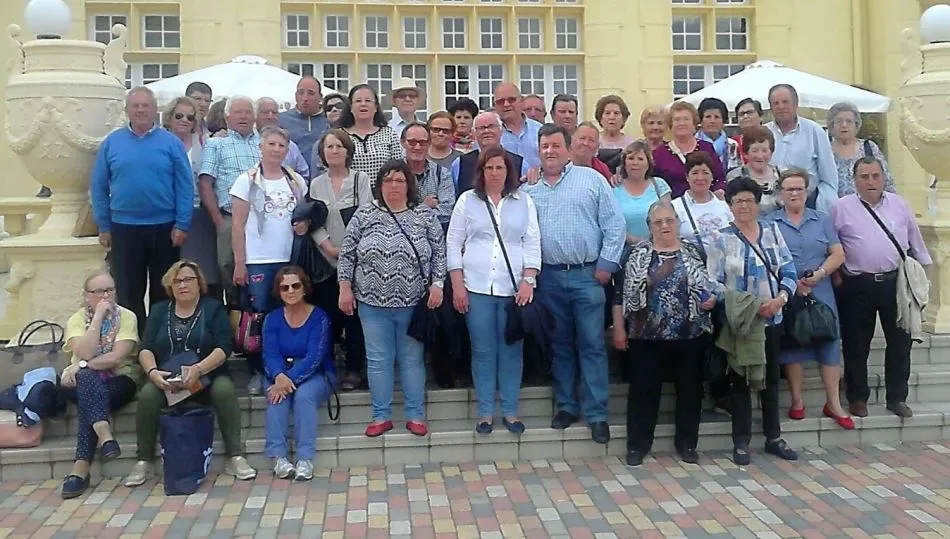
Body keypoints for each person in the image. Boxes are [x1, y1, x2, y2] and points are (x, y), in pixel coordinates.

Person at [521, 124, 626, 444]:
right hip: (549, 277)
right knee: (561, 345)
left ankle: (597, 414)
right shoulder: (529, 189)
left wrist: (606, 266)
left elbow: (614, 225)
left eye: (555, 145)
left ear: (567, 149)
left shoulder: (591, 180)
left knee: (592, 344)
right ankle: (567, 406)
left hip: (587, 275)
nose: (550, 151)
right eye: (544, 146)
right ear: (538, 150)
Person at [337, 160, 446, 438]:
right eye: (388, 181)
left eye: (399, 181)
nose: (393, 186)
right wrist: (344, 288)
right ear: (379, 185)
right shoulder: (365, 213)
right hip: (372, 303)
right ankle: (380, 415)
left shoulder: (424, 215)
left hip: (412, 303)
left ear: (409, 185)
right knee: (378, 360)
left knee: (411, 359)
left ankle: (415, 414)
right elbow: (347, 253)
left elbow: (439, 253)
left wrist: (437, 285)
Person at [124, 261, 256, 487]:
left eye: (188, 279)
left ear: (199, 283)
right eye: (177, 280)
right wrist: (153, 372)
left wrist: (198, 369)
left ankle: (235, 456)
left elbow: (224, 347)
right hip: (168, 379)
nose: (182, 285)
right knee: (147, 395)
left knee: (224, 390)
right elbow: (145, 348)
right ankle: (143, 460)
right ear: (170, 285)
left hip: (206, 376)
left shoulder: (213, 308)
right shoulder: (158, 310)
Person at [705, 177, 799, 466]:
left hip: (773, 319)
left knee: (771, 381)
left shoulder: (772, 231)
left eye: (748, 200)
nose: (743, 206)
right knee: (741, 381)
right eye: (737, 201)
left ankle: (773, 437)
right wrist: (751, 305)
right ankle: (741, 442)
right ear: (730, 206)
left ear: (757, 204)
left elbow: (789, 271)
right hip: (742, 322)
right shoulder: (719, 238)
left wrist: (780, 299)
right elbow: (713, 283)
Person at [446, 147, 541, 434]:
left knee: (512, 349)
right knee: (484, 350)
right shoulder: (467, 201)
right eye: (489, 168)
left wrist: (529, 280)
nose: (495, 173)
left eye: (500, 168)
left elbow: (532, 242)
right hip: (476, 287)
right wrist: (457, 285)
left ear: (508, 171)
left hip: (513, 290)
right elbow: (453, 243)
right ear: (481, 171)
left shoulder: (523, 201)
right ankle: (486, 411)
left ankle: (511, 411)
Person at [612, 202, 713, 466]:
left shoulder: (694, 251)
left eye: (669, 220)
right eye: (658, 222)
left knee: (691, 392)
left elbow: (710, 285)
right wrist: (619, 328)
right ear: (649, 227)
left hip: (690, 333)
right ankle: (638, 445)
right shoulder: (636, 254)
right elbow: (619, 294)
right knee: (643, 393)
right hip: (645, 335)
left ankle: (687, 444)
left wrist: (710, 300)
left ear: (678, 222)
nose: (665, 226)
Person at [832, 156, 932, 419]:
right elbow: (831, 245)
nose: (871, 181)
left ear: (883, 177)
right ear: (854, 180)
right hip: (857, 285)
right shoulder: (841, 207)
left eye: (875, 176)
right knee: (856, 344)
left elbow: (916, 242)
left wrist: (923, 277)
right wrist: (836, 278)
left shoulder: (899, 205)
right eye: (864, 177)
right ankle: (857, 397)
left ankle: (897, 397)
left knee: (900, 342)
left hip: (895, 283)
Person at [91, 87, 192, 333]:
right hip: (124, 229)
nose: (140, 110)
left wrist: (182, 224)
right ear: (127, 110)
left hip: (165, 229)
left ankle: (160, 341)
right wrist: (104, 225)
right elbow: (98, 186)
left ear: (154, 109)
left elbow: (185, 185)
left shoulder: (170, 143)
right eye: (135, 106)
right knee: (128, 292)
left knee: (164, 291)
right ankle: (132, 343)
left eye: (145, 105)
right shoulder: (112, 143)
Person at [770, 168, 852, 429]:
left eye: (799, 189)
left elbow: (838, 254)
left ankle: (834, 403)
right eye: (789, 189)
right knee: (794, 344)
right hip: (789, 293)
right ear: (780, 193)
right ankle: (796, 401)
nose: (794, 193)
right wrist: (792, 283)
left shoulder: (822, 220)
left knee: (829, 344)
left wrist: (819, 274)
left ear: (807, 192)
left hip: (822, 291)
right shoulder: (770, 223)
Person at [230, 126, 308, 394]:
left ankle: (285, 368)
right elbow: (237, 225)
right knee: (258, 318)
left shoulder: (296, 180)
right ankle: (258, 370)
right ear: (260, 147)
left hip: (289, 258)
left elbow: (302, 216)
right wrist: (240, 263)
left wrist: (303, 226)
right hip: (258, 259)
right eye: (271, 144)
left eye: (281, 146)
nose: (276, 150)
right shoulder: (246, 181)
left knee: (286, 314)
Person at [59, 271, 141, 499]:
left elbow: (116, 358)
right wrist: (97, 318)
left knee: (88, 387)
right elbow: (84, 350)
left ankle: (80, 468)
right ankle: (105, 436)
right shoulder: (76, 320)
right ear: (86, 296)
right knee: (88, 384)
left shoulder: (127, 317)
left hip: (120, 379)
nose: (106, 296)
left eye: (110, 290)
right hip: (82, 383)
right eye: (99, 292)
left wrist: (80, 365)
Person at [308, 129, 372, 392]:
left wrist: (346, 249)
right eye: (329, 147)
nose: (334, 151)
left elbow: (368, 216)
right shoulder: (316, 184)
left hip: (356, 259)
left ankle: (355, 369)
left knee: (354, 318)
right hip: (325, 260)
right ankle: (328, 368)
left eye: (339, 146)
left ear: (348, 151)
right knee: (327, 316)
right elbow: (312, 221)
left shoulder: (361, 180)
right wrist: (329, 248)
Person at [263, 266, 336, 481]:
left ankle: (305, 459)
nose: (291, 291)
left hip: (317, 373)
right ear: (279, 291)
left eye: (296, 285)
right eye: (284, 287)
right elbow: (269, 353)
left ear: (304, 288)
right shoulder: (272, 319)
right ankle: (278, 458)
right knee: (277, 397)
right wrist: (279, 377)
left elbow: (315, 356)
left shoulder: (320, 317)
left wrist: (288, 379)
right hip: (278, 374)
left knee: (304, 396)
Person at [198, 95, 261, 307]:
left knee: (259, 271)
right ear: (227, 117)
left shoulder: (264, 143)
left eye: (247, 112)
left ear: (254, 117)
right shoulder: (216, 143)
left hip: (261, 219)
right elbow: (205, 183)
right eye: (238, 112)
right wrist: (218, 220)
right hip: (229, 218)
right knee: (229, 270)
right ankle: (236, 323)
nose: (243, 116)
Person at [164, 96, 222, 302]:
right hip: (167, 214)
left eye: (190, 117)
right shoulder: (160, 141)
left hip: (200, 214)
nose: (184, 120)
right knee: (172, 273)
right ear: (169, 117)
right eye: (179, 115)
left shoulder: (206, 142)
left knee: (205, 272)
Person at [765, 84, 837, 213]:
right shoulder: (764, 132)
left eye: (785, 102)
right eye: (776, 103)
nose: (780, 107)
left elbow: (829, 177)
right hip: (771, 205)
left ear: (796, 104)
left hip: (808, 204)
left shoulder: (814, 131)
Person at [653, 101, 725, 199]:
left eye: (686, 119)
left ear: (694, 124)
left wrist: (719, 191)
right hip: (672, 207)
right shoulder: (659, 154)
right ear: (671, 125)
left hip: (704, 205)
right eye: (677, 119)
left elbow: (719, 178)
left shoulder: (707, 148)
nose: (681, 123)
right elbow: (655, 184)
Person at [827, 101, 896, 198]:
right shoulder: (825, 149)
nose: (844, 125)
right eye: (839, 121)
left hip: (868, 207)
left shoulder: (869, 147)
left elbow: (887, 180)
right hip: (835, 209)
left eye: (849, 121)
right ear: (831, 125)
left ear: (856, 125)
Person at [451, 112, 529, 196]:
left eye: (491, 126)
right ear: (473, 133)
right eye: (481, 128)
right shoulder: (459, 163)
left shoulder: (520, 164)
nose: (486, 131)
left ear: (501, 130)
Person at [341, 84, 405, 185]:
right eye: (358, 101)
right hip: (349, 194)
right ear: (350, 107)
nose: (363, 104)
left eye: (368, 101)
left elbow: (398, 169)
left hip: (383, 194)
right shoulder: (340, 136)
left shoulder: (389, 134)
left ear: (376, 107)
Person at [613, 140, 672, 245]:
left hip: (656, 247)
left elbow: (668, 219)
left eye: (640, 159)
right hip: (623, 249)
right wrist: (632, 240)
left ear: (648, 164)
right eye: (631, 158)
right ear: (624, 163)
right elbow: (610, 223)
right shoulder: (614, 188)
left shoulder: (659, 185)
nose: (635, 163)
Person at [672, 151, 734, 250]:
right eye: (695, 173)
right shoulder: (675, 207)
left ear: (712, 177)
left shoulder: (723, 205)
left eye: (705, 173)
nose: (700, 178)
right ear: (687, 177)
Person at [401, 122, 455, 227]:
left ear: (429, 143)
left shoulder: (442, 174)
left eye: (422, 142)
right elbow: (391, 213)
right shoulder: (393, 174)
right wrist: (424, 207)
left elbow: (446, 213)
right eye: (412, 142)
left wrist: (409, 214)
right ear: (402, 142)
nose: (417, 147)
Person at [279, 76, 329, 175]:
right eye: (301, 93)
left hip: (325, 180)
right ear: (295, 95)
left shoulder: (329, 119)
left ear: (320, 97)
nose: (305, 98)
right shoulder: (281, 120)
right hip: (294, 180)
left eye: (311, 93)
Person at [726, 126, 782, 213]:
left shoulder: (782, 174)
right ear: (746, 154)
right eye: (754, 151)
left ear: (771, 153)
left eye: (764, 151)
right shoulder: (735, 176)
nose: (760, 156)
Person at [257, 97, 309, 179]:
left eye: (274, 113)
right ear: (255, 115)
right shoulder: (248, 143)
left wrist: (292, 188)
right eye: (265, 112)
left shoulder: (290, 146)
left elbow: (304, 174)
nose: (270, 116)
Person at [494, 83, 543, 169]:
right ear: (495, 105)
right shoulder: (490, 133)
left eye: (511, 99)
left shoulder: (539, 130)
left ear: (521, 101)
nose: (506, 104)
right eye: (500, 101)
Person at [696, 97, 737, 171]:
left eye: (717, 117)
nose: (712, 121)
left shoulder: (733, 145)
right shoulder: (692, 144)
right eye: (708, 117)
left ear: (723, 121)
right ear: (701, 120)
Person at [732, 98, 763, 166]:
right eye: (741, 114)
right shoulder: (732, 143)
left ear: (761, 117)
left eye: (750, 112)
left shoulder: (771, 139)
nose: (745, 116)